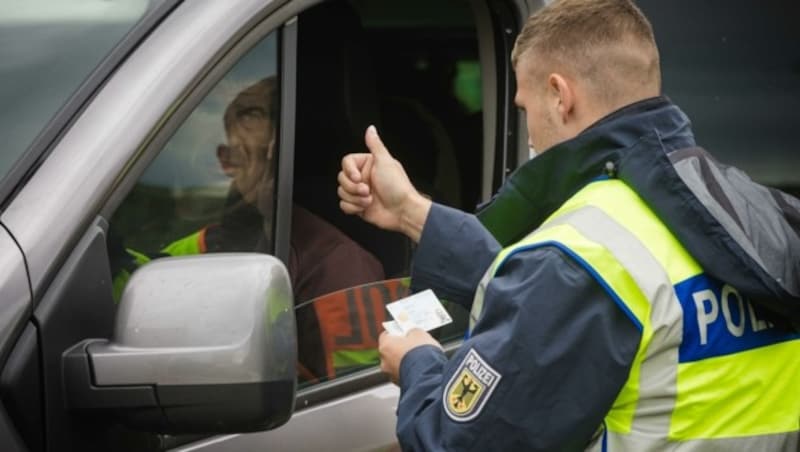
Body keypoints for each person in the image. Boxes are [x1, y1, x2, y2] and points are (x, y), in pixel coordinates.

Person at [337, 0, 800, 450]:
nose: (529, 129)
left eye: (523, 108)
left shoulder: (583, 254)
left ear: (560, 96)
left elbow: (455, 440)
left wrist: (418, 363)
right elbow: (561, 298)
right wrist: (412, 212)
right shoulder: (750, 215)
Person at [113, 76, 385, 381]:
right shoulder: (219, 239)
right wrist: (106, 258)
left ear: (281, 143)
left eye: (249, 115)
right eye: (215, 111)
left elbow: (357, 405)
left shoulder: (339, 267)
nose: (222, 143)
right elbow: (145, 282)